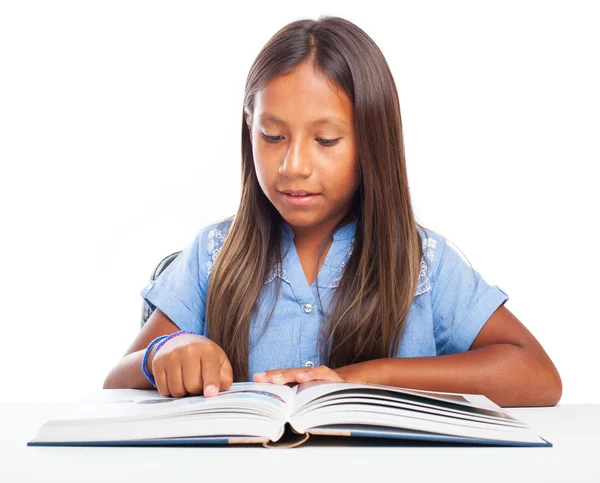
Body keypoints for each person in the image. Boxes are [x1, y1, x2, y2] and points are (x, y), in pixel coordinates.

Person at [103, 16, 562, 407]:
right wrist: (167, 350)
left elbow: (537, 375)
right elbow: (115, 382)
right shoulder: (212, 256)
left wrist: (365, 377)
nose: (294, 166)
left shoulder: (421, 263)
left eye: (325, 141)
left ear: (371, 141)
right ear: (249, 127)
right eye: (272, 136)